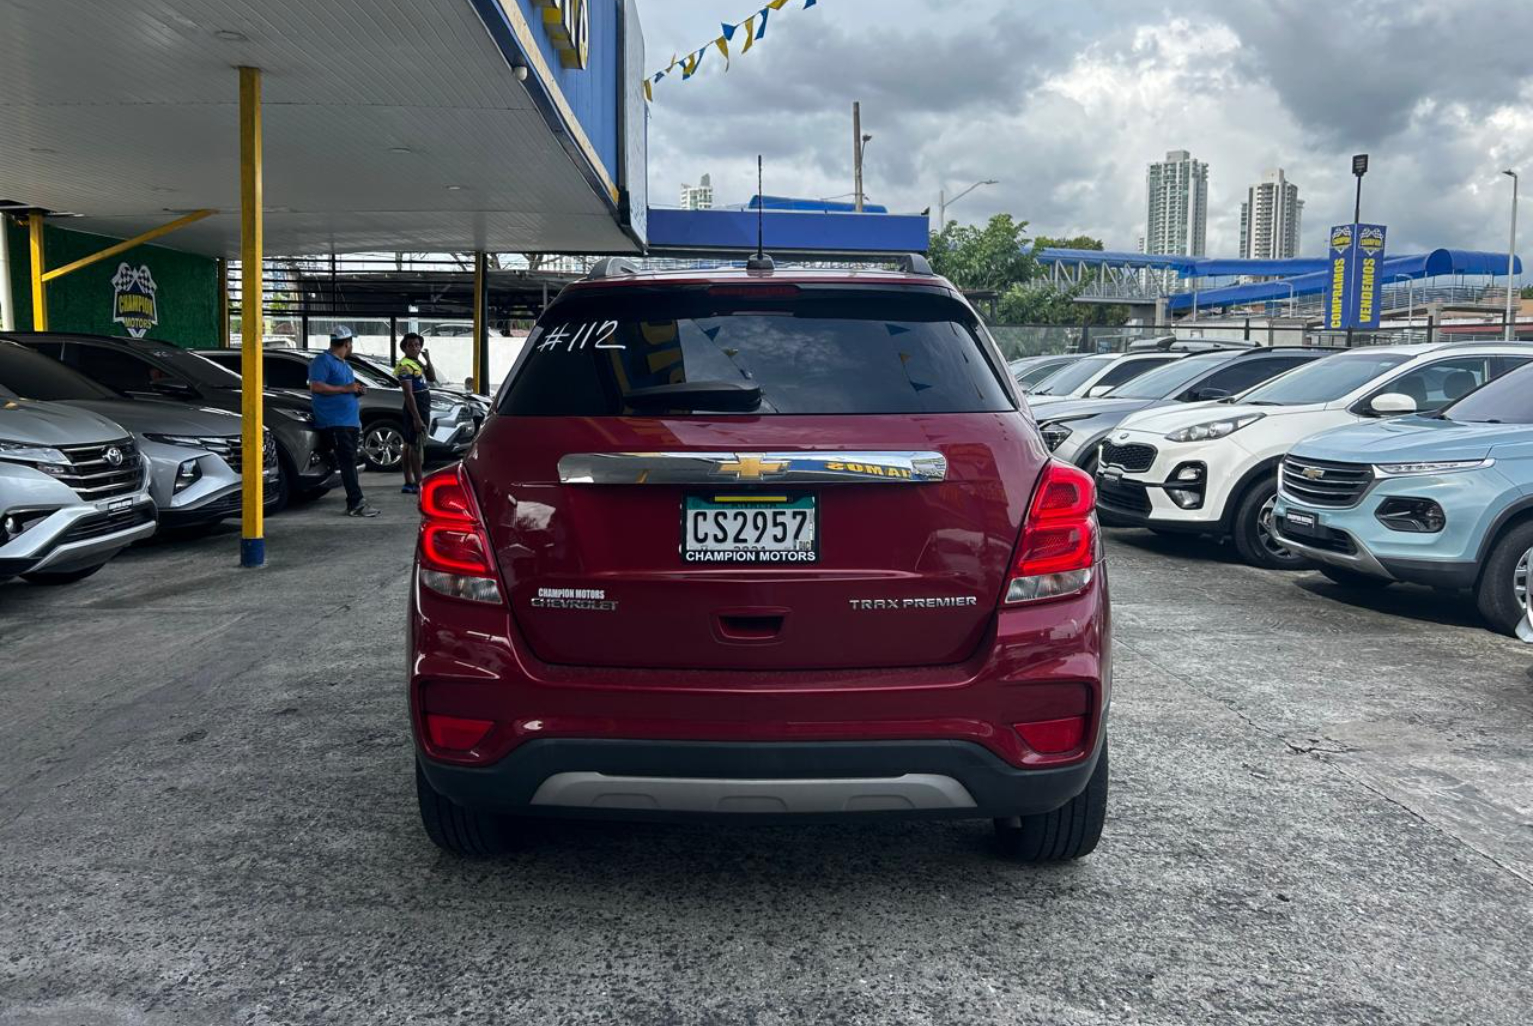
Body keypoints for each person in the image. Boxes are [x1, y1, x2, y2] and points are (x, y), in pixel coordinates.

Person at [308, 326, 379, 517]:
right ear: (347, 343)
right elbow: (316, 386)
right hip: (334, 422)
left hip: (349, 422)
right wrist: (345, 389)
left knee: (349, 461)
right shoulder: (322, 361)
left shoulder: (345, 365)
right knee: (347, 462)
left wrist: (355, 390)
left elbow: (345, 389)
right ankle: (356, 503)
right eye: (351, 343)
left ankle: (355, 502)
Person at [394, 333, 432, 494]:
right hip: (415, 407)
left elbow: (431, 377)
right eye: (411, 345)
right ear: (404, 347)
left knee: (410, 443)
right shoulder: (404, 366)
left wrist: (428, 360)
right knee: (415, 445)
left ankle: (410, 482)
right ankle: (417, 483)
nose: (415, 348)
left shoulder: (416, 363)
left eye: (417, 344)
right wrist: (416, 418)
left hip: (422, 405)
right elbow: (408, 394)